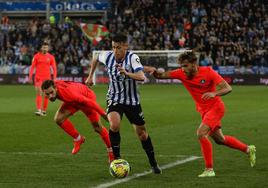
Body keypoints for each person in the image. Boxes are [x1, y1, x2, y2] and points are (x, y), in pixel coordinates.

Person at [146, 51, 256, 177]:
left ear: (194, 64)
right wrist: (154, 72)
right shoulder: (181, 73)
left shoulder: (208, 72)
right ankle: (248, 149)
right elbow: (161, 76)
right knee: (220, 140)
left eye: (186, 66)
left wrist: (214, 93)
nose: (183, 69)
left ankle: (209, 170)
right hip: (203, 110)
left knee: (201, 133)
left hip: (216, 107)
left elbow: (228, 88)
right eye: (182, 66)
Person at [85, 33, 161, 174]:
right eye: (113, 47)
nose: (115, 50)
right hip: (114, 98)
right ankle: (117, 160)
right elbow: (95, 57)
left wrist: (126, 73)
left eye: (118, 47)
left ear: (125, 46)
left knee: (142, 134)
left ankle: (153, 162)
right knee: (114, 124)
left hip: (132, 101)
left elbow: (141, 76)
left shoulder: (132, 57)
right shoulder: (107, 56)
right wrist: (90, 76)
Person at [41, 80, 114, 162]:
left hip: (86, 98)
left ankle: (111, 152)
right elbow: (68, 82)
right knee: (58, 119)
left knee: (97, 128)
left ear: (55, 88)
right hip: (73, 100)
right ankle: (78, 139)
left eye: (51, 92)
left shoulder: (68, 93)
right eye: (47, 94)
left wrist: (102, 113)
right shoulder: (55, 85)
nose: (50, 96)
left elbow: (88, 102)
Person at [29, 41, 57, 116]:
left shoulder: (51, 57)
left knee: (46, 94)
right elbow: (32, 67)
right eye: (44, 47)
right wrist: (30, 77)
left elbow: (54, 68)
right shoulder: (36, 56)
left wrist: (54, 78)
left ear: (48, 48)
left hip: (47, 79)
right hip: (38, 78)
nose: (45, 48)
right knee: (39, 92)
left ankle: (44, 110)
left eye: (46, 47)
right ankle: (39, 110)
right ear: (41, 48)